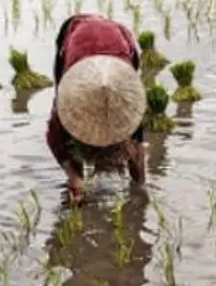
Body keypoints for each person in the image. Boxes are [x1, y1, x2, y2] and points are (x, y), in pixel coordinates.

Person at [47, 14, 148, 205]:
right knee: (68, 133)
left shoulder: (129, 100)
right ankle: (78, 184)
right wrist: (73, 176)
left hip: (120, 38)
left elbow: (138, 143)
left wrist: (140, 187)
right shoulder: (70, 98)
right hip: (75, 32)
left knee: (133, 131)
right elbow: (54, 137)